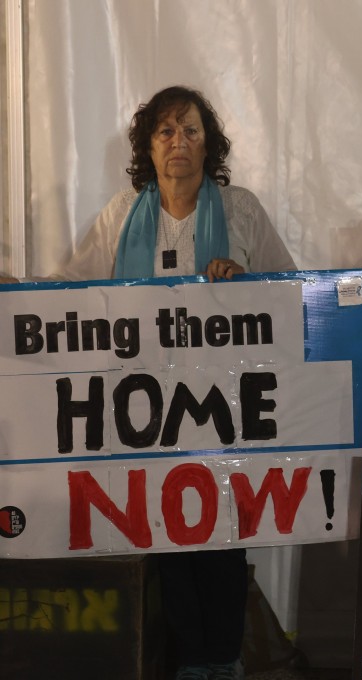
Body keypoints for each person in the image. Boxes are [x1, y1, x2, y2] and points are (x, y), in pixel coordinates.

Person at [62, 86, 295, 680]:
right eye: (165, 131)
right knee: (166, 534)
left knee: (222, 534)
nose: (179, 142)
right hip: (144, 409)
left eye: (191, 130)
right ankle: (193, 661)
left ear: (208, 143)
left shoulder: (240, 209)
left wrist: (243, 283)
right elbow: (72, 294)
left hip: (225, 408)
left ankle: (226, 657)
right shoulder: (122, 213)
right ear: (148, 146)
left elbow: (292, 293)